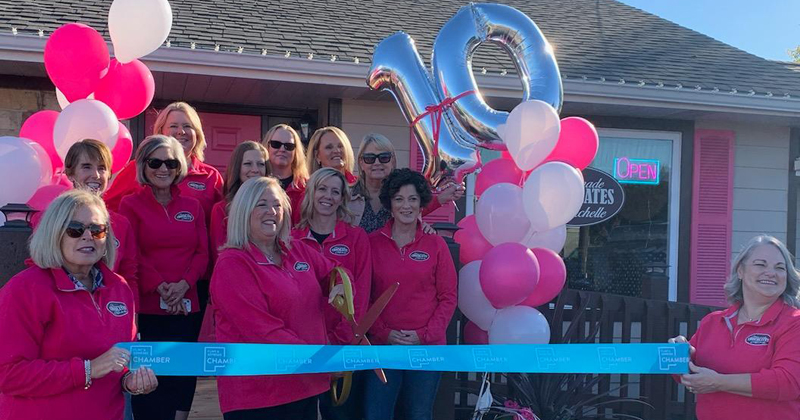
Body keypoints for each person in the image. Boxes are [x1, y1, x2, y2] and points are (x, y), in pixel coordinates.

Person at [0, 190, 157, 420]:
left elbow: (120, 362)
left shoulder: (119, 288)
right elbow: (8, 374)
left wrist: (130, 381)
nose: (88, 237)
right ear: (54, 234)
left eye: (97, 230)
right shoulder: (24, 290)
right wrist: (88, 369)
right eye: (75, 229)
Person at [211, 176, 347, 420]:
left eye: (277, 205)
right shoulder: (232, 264)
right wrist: (318, 358)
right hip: (258, 395)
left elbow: (336, 273)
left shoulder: (297, 249)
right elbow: (263, 331)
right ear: (244, 211)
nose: (271, 212)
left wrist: (340, 287)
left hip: (303, 384)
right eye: (261, 204)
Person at [119, 135, 209, 420]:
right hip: (148, 305)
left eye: (170, 162)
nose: (163, 169)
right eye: (155, 162)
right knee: (151, 376)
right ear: (143, 165)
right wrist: (160, 287)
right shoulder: (129, 205)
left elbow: (202, 253)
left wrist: (183, 286)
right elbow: (134, 254)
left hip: (187, 304)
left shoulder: (193, 206)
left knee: (182, 372)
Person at [669, 235, 800, 419]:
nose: (771, 272)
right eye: (760, 264)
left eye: (780, 267)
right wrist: (679, 354)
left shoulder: (794, 322)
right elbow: (689, 376)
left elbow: (788, 383)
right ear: (740, 270)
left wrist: (719, 382)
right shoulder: (712, 322)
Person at [364, 168, 458, 420]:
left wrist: (424, 336)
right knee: (376, 414)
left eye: (413, 199)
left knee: (418, 414)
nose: (406, 206)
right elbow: (365, 297)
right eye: (399, 199)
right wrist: (384, 333)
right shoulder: (371, 244)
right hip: (384, 347)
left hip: (426, 349)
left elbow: (448, 296)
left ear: (421, 203)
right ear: (390, 204)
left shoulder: (435, 244)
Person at [292, 168, 373, 420]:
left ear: (342, 199)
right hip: (302, 346)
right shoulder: (291, 238)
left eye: (335, 191)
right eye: (322, 189)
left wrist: (340, 341)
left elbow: (361, 296)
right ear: (311, 192)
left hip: (342, 346)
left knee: (339, 414)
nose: (328, 196)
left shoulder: (356, 238)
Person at [31, 139, 140, 309]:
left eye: (102, 168)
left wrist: (133, 317)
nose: (96, 175)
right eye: (87, 166)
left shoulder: (121, 224)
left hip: (109, 311)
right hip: (62, 310)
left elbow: (129, 275)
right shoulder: (48, 219)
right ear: (70, 173)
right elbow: (38, 268)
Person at [351, 133, 465, 232]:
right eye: (370, 158)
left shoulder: (400, 191)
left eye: (384, 157)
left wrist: (421, 227)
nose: (376, 163)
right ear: (361, 162)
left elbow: (414, 209)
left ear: (393, 161)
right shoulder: (347, 196)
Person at [210, 141, 270, 264]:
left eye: (261, 164)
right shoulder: (221, 209)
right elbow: (219, 253)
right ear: (237, 168)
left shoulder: (275, 207)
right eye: (248, 164)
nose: (255, 170)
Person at [262, 124, 309, 226]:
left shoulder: (307, 188)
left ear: (296, 151)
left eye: (289, 146)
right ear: (267, 147)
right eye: (276, 144)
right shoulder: (256, 186)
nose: (282, 149)